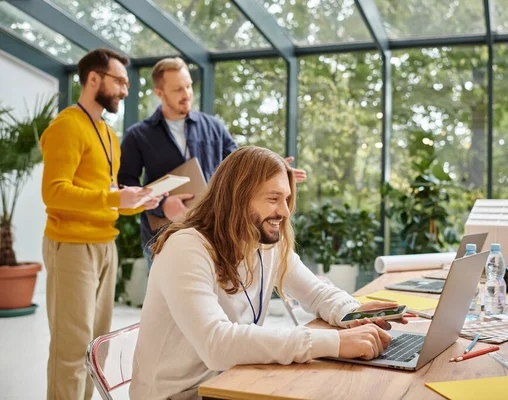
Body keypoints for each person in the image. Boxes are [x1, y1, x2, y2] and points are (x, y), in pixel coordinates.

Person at [130, 146, 405, 400]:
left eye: (286, 199)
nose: (284, 212)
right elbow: (217, 344)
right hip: (180, 395)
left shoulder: (265, 242)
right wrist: (334, 342)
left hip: (234, 380)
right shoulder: (187, 248)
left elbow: (317, 293)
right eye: (273, 199)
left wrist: (355, 314)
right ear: (236, 199)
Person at [40, 48, 162, 400]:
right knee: (70, 349)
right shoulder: (67, 126)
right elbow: (55, 193)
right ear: (94, 78)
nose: (125, 89)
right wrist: (113, 198)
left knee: (95, 349)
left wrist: (135, 200)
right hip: (72, 247)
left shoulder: (108, 135)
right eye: (119, 81)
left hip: (103, 245)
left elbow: (104, 196)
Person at [118, 57, 306, 268]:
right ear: (159, 93)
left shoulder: (214, 126)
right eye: (178, 89)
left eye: (189, 86)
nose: (187, 94)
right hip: (163, 235)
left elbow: (239, 165)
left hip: (212, 231)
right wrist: (162, 205)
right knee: (167, 297)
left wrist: (273, 171)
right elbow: (126, 185)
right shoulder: (137, 135)